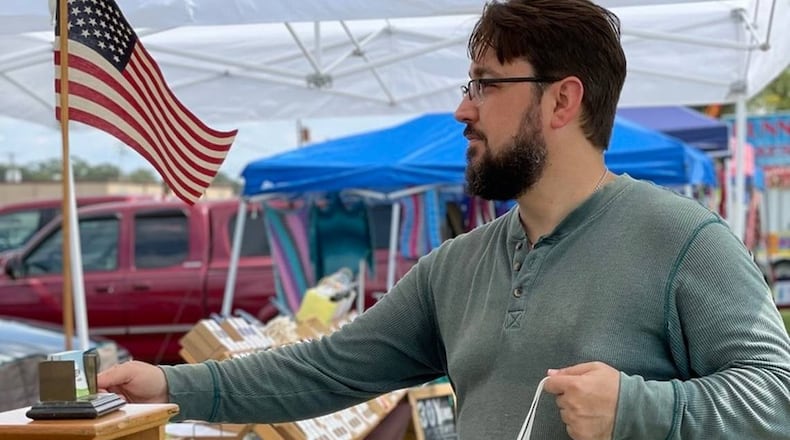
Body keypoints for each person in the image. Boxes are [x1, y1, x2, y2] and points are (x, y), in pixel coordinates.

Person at [98, 1, 790, 438]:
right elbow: (326, 369)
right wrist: (167, 385)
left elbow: (775, 398)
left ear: (561, 101)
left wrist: (643, 411)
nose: (464, 110)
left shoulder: (683, 240)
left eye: (486, 84)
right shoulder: (456, 267)